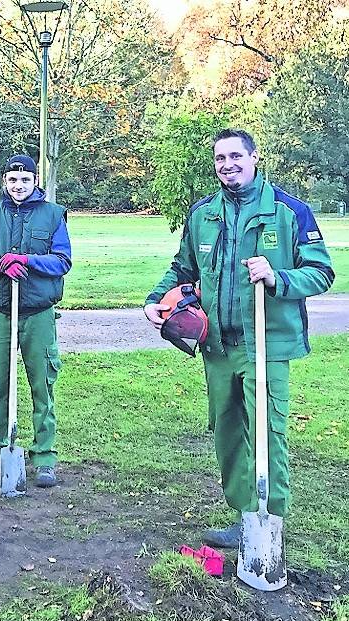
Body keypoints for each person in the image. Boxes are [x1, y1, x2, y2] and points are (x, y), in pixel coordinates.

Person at [143, 129, 334, 547]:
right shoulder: (203, 214)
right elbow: (183, 268)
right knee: (228, 433)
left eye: (235, 156)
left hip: (265, 346)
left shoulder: (289, 211)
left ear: (254, 157)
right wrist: (156, 299)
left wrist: (276, 277)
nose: (227, 164)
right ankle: (245, 514)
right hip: (217, 347)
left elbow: (322, 272)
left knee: (266, 431)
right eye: (219, 158)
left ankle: (269, 524)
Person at [0, 154, 73, 488]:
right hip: (1, 313)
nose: (19, 186)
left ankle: (44, 457)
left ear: (35, 181)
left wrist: (27, 260)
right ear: (4, 182)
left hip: (38, 314)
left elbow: (62, 261)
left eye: (25, 180)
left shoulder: (53, 215)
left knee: (42, 385)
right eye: (12, 181)